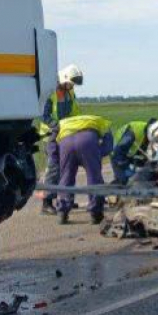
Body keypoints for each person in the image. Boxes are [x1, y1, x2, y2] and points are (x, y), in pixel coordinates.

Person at [39, 64, 83, 215]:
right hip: (51, 136)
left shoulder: (70, 92)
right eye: (71, 82)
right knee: (54, 168)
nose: (72, 85)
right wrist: (56, 126)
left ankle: (66, 200)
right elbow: (44, 116)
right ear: (64, 77)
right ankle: (47, 203)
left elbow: (75, 112)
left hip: (65, 134)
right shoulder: (51, 92)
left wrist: (78, 125)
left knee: (68, 166)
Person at [54, 115, 114, 225]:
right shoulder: (101, 121)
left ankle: (62, 212)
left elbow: (52, 142)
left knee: (66, 178)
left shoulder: (63, 122)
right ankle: (95, 214)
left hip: (66, 142)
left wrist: (55, 157)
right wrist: (98, 154)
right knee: (94, 178)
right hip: (88, 141)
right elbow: (108, 143)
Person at [110, 119, 158, 185]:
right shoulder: (133, 133)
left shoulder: (148, 131)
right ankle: (117, 185)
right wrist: (125, 166)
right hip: (117, 152)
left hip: (129, 150)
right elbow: (118, 151)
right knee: (122, 180)